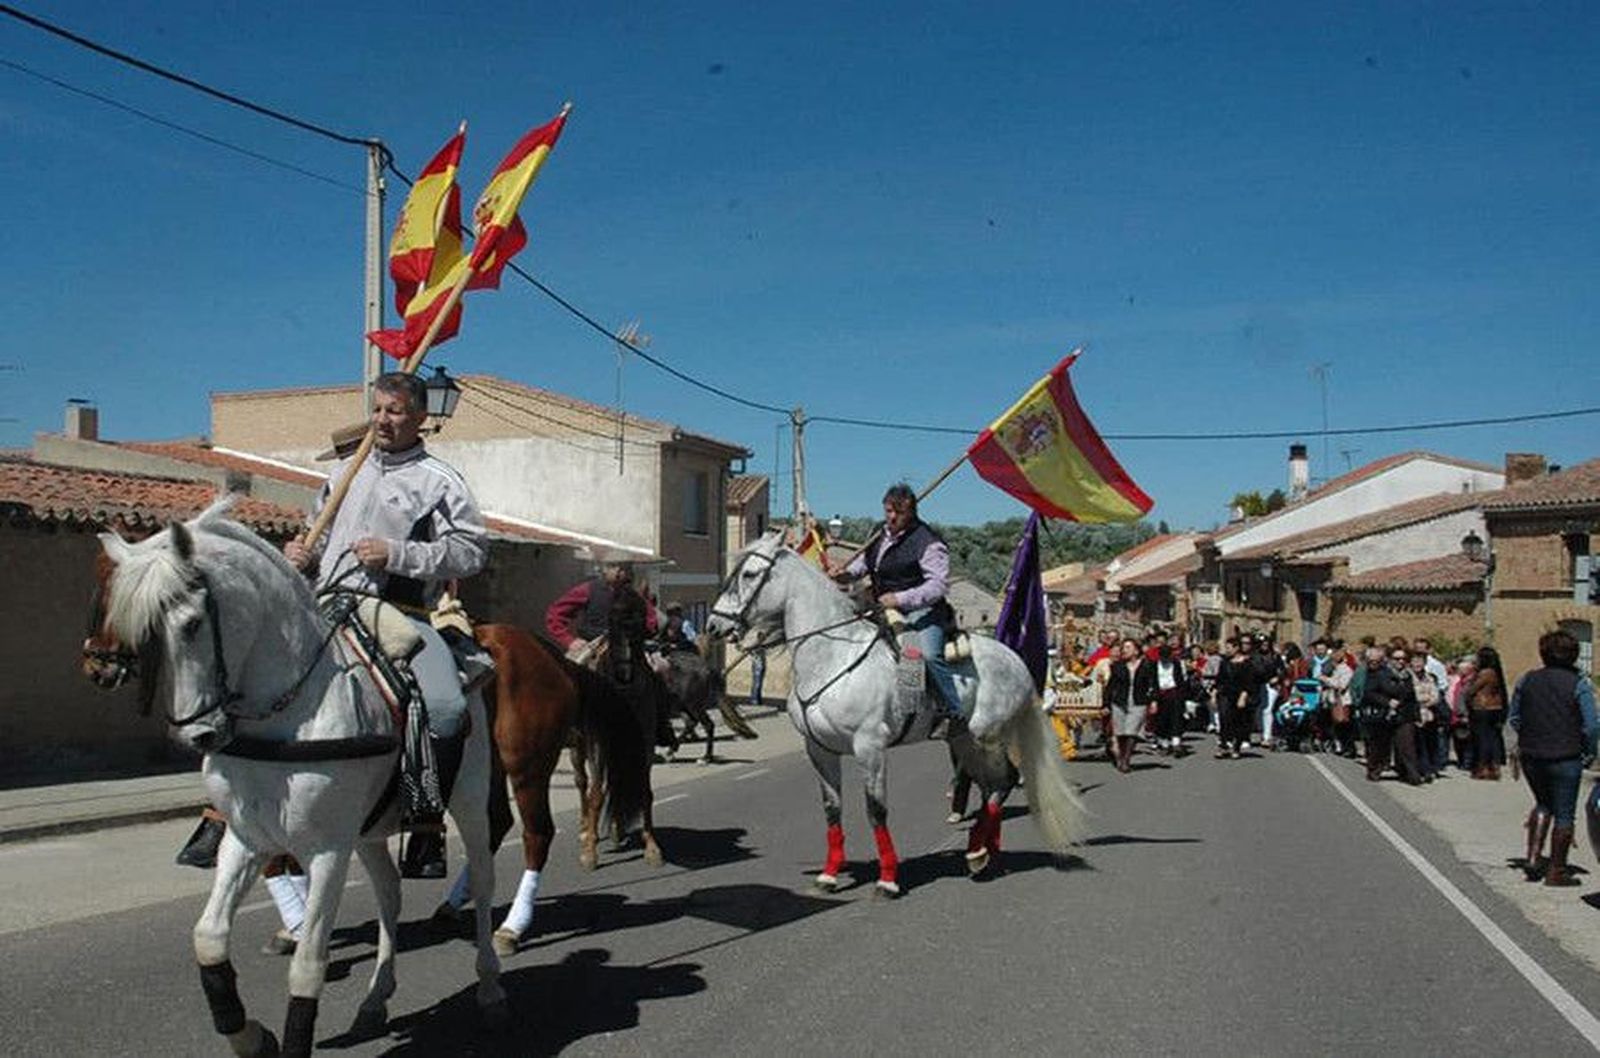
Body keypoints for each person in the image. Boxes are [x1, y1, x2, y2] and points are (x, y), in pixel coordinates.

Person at [283, 371, 488, 879]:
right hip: (325, 608)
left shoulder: (440, 482)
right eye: (377, 410)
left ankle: (424, 823)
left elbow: (471, 551)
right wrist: (302, 555)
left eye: (395, 412)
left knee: (443, 707)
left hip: (397, 616)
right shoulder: (343, 473)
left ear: (420, 417)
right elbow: (318, 536)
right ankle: (228, 811)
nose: (383, 420)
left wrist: (395, 553)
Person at [829, 483, 961, 718]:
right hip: (881, 606)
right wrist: (847, 573)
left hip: (923, 610)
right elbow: (866, 564)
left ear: (910, 512)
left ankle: (953, 710)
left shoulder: (928, 541)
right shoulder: (879, 533)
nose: (891, 518)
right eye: (888, 511)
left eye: (897, 513)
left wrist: (900, 598)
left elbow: (938, 585)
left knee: (927, 655)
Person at [1508, 630, 1599, 886]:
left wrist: (1530, 735)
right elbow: (1592, 725)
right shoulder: (1579, 684)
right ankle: (1557, 870)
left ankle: (1534, 857)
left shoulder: (1528, 680)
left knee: (1542, 803)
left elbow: (1514, 717)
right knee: (1564, 812)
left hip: (1532, 753)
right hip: (1566, 754)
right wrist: (1589, 751)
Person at [546, 561, 659, 661]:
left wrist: (637, 634)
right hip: (592, 647)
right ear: (604, 569)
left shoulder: (635, 596)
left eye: (623, 567)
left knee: (658, 671)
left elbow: (651, 622)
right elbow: (555, 615)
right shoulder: (587, 590)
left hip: (627, 647)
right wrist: (570, 641)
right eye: (613, 566)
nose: (618, 571)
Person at [1103, 638, 1147, 773]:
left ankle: (1126, 760)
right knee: (1121, 732)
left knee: (1132, 731)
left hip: (1138, 701)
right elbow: (1110, 686)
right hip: (1120, 701)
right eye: (1123, 648)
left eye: (1128, 647)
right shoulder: (1117, 666)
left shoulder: (1147, 665)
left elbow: (1153, 683)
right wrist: (1105, 704)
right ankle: (1120, 757)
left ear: (1136, 650)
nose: (1124, 650)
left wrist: (1154, 700)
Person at [1466, 646, 1509, 780]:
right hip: (1495, 708)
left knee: (1482, 738)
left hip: (1482, 708)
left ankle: (1483, 767)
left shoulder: (1485, 673)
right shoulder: (1496, 672)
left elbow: (1471, 690)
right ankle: (1494, 766)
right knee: (1493, 737)